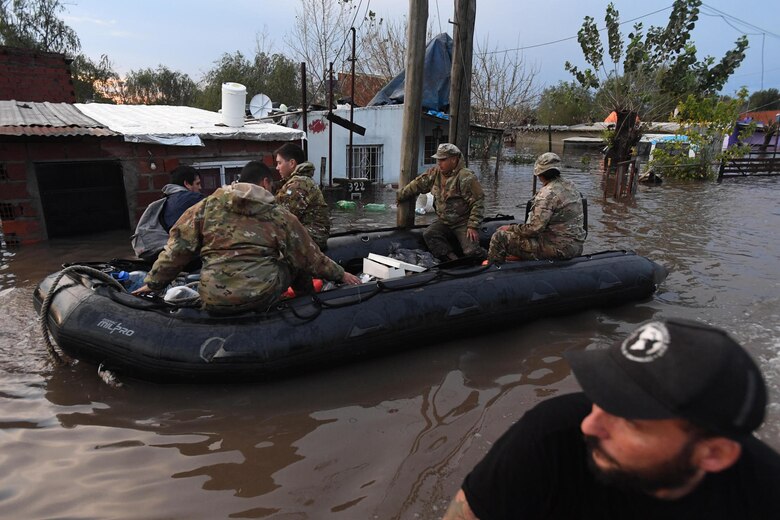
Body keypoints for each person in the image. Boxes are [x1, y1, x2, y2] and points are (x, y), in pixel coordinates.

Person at [443, 318, 780, 519]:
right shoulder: (549, 439)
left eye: (631, 420)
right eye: (603, 395)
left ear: (714, 454)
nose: (590, 425)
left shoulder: (763, 496)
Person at [132, 161, 360, 314]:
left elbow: (176, 250)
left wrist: (152, 283)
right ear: (265, 183)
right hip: (258, 296)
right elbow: (310, 257)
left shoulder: (205, 207)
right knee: (295, 262)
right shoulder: (278, 215)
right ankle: (307, 307)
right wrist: (342, 275)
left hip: (212, 297)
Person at [487, 152, 586, 264]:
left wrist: (509, 228)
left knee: (499, 236)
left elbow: (534, 229)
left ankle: (492, 270)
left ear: (540, 174)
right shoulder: (570, 185)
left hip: (559, 250)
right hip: (576, 247)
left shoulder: (547, 194)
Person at [397, 143, 485, 261]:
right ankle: (452, 260)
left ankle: (488, 259)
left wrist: (473, 225)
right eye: (438, 160)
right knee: (429, 234)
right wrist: (400, 196)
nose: (439, 163)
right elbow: (417, 185)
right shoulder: (435, 173)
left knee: (471, 251)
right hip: (444, 221)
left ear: (454, 159)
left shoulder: (466, 177)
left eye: (443, 160)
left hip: (463, 222)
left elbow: (478, 201)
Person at [131, 165, 205, 263]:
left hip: (150, 252)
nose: (200, 187)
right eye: (198, 183)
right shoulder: (190, 198)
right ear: (187, 183)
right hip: (166, 253)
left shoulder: (170, 199)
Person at [274, 142, 330, 250]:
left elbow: (283, 217)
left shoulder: (299, 184)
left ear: (291, 163)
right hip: (307, 234)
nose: (277, 167)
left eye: (279, 163)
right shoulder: (295, 181)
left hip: (312, 238)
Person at [162, 165, 205, 229]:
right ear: (187, 184)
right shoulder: (192, 198)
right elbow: (215, 206)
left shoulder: (167, 200)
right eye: (197, 184)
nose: (200, 187)